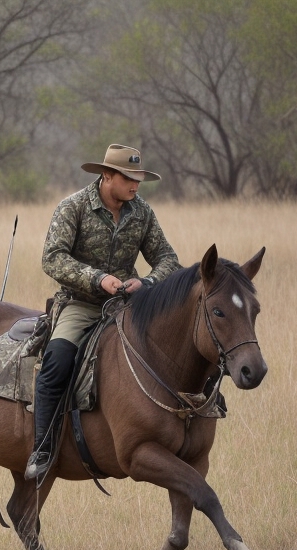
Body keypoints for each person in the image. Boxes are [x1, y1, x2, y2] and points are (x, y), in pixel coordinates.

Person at [26, 144, 182, 480]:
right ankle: (42, 450)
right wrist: (98, 279)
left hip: (130, 306)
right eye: (128, 177)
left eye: (138, 178)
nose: (135, 185)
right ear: (106, 175)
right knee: (56, 361)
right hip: (81, 305)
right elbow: (52, 258)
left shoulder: (143, 213)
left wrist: (149, 281)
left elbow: (169, 259)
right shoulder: (73, 207)